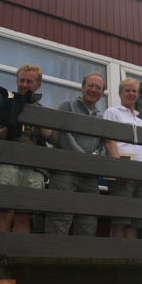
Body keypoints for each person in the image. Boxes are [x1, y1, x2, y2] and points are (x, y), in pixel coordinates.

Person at [0, 64, 58, 233]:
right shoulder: (5, 104)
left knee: (24, 215)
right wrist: (9, 128)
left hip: (35, 167)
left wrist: (44, 129)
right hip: (8, 162)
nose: (24, 84)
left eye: (29, 81)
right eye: (21, 80)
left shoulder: (43, 111)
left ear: (38, 85)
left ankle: (16, 257)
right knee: (5, 212)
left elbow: (55, 138)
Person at [45, 72, 109, 236]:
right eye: (90, 85)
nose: (94, 90)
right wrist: (84, 159)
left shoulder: (100, 117)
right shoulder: (67, 106)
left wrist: (95, 161)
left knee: (88, 223)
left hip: (89, 178)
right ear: (82, 87)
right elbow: (65, 135)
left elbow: (103, 144)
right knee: (60, 219)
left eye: (98, 88)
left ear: (102, 93)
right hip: (65, 173)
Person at [103, 78, 142, 238]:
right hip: (123, 170)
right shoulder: (112, 112)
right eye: (128, 91)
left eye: (134, 91)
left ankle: (131, 260)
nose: (131, 94)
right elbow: (109, 141)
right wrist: (120, 170)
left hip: (141, 172)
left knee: (136, 224)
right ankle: (114, 259)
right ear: (120, 93)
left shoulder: (140, 120)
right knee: (121, 221)